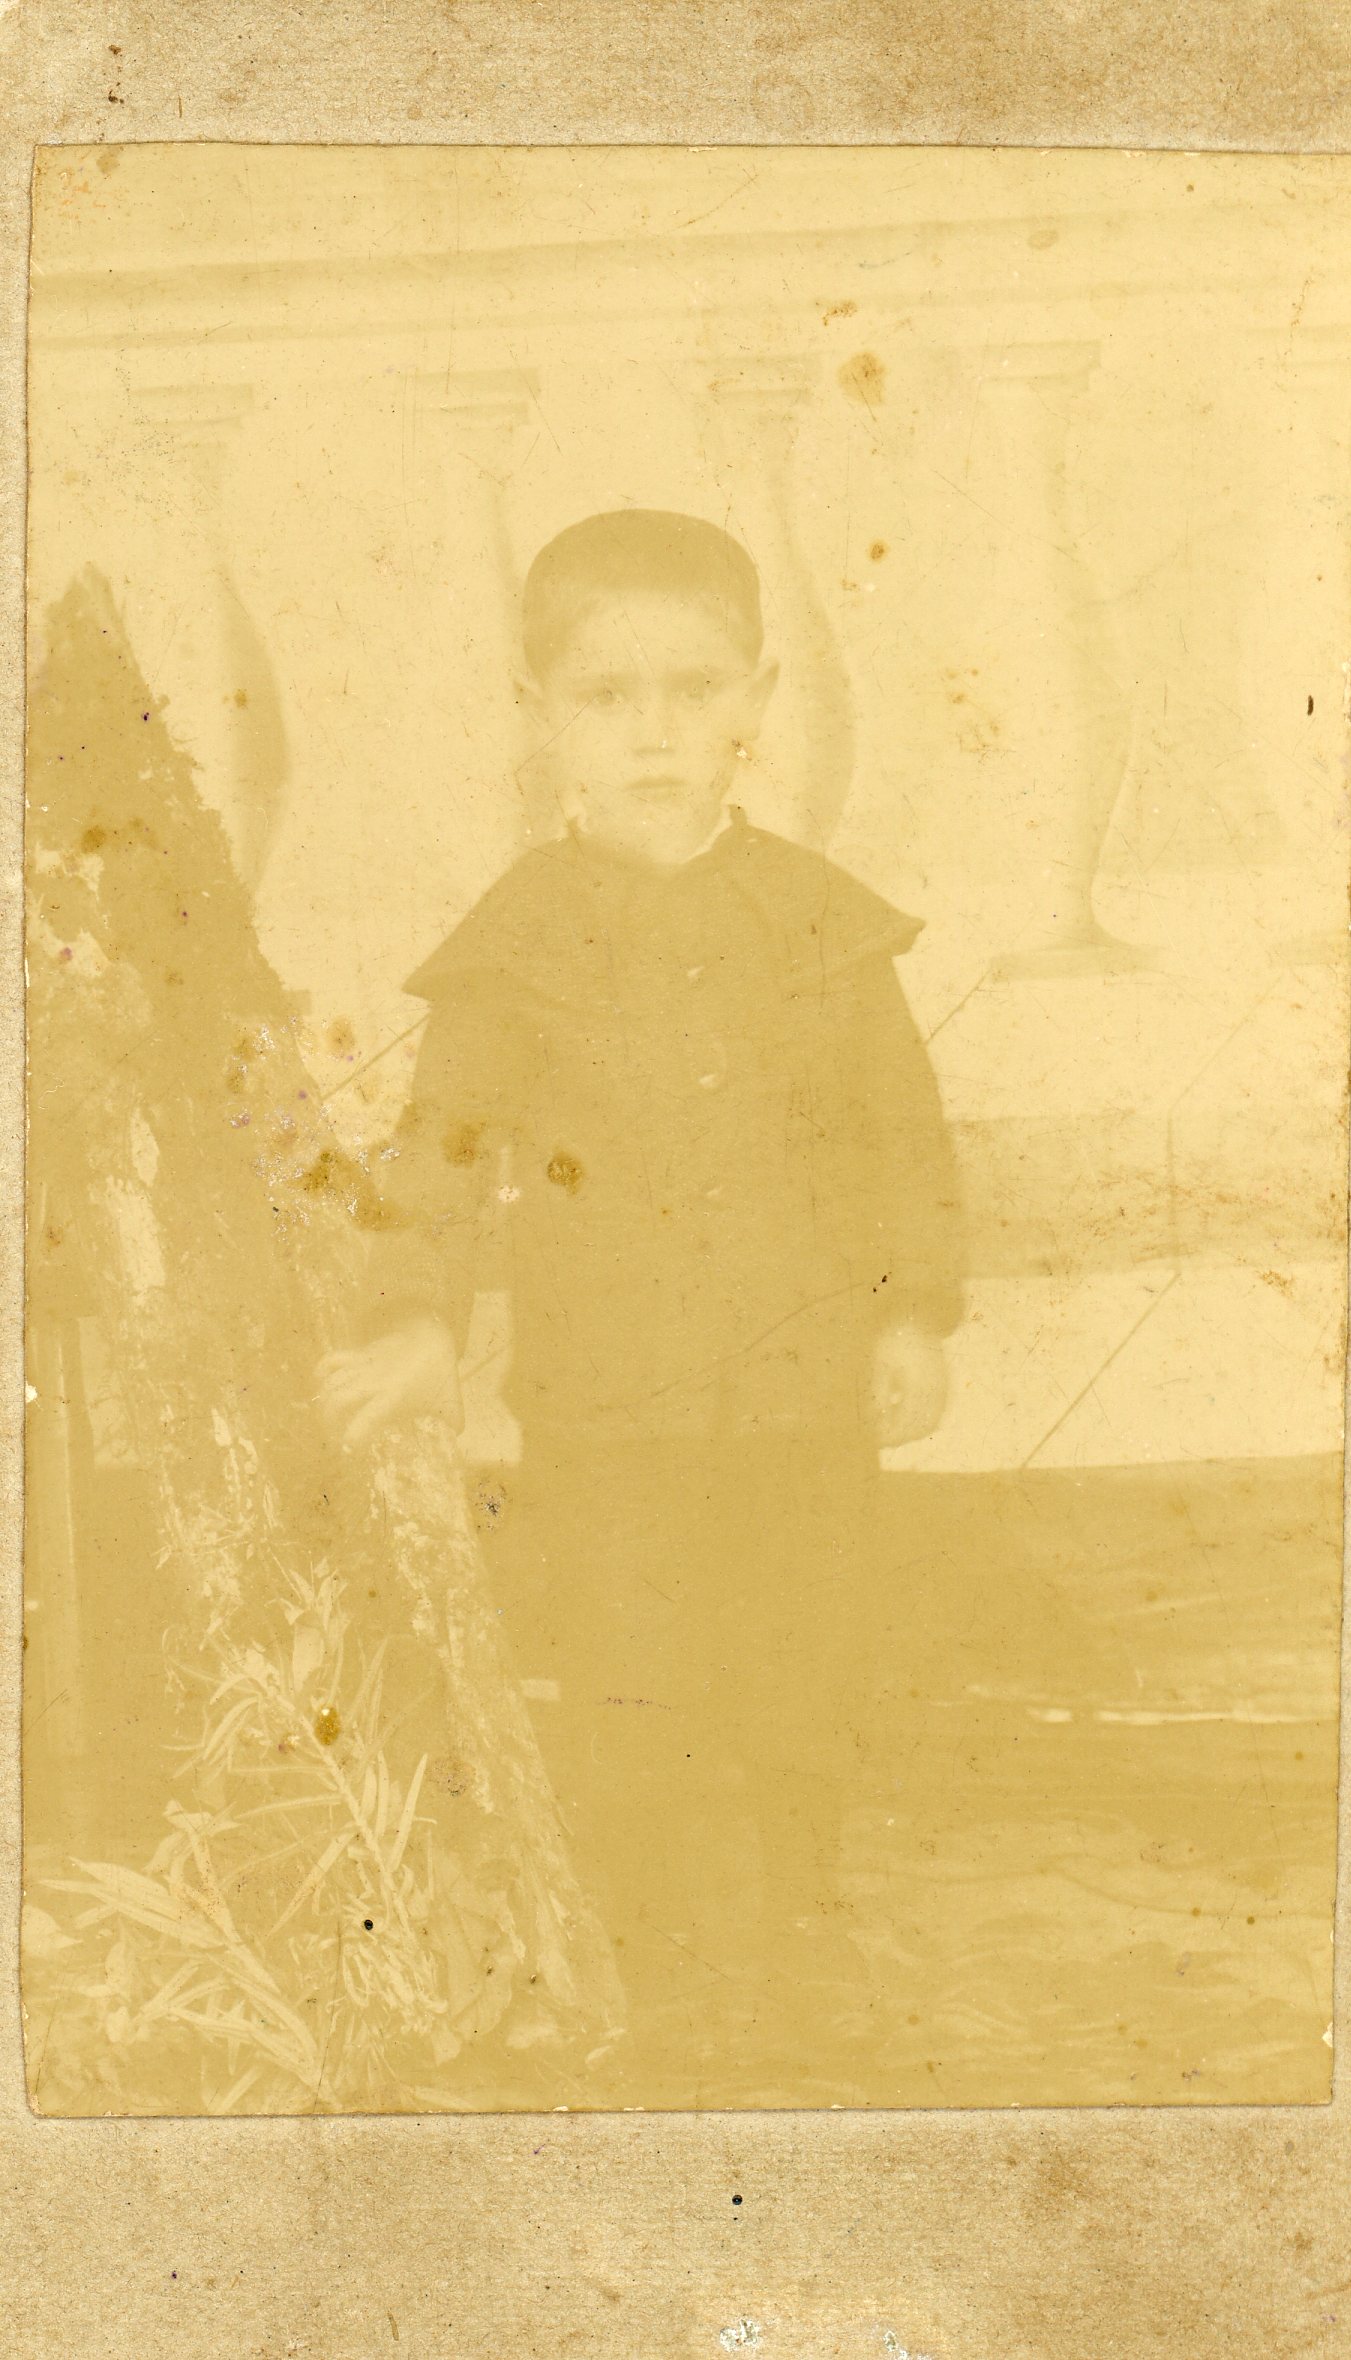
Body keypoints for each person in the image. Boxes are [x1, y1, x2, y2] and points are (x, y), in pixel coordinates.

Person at [318, 509, 965, 2091]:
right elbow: (441, 1152)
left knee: (802, 1665)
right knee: (630, 1681)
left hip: (799, 1394)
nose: (656, 733)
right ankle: (655, 1957)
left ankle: (804, 1918)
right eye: (607, 697)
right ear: (538, 713)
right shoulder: (519, 942)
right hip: (609, 1405)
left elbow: (898, 1135)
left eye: (694, 689)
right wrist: (417, 1319)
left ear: (759, 698)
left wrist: (910, 1314)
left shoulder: (815, 919)